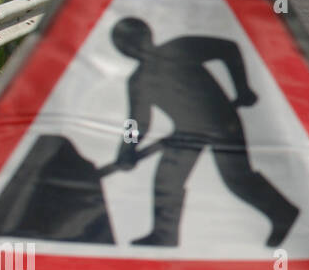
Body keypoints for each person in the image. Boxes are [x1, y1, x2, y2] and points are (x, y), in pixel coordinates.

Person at [111, 17, 299, 248]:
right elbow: (137, 123)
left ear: (148, 35)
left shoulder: (179, 48)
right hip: (186, 132)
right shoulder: (139, 81)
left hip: (221, 121)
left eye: (138, 41)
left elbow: (228, 49)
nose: (137, 49)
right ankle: (164, 234)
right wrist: (127, 150)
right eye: (129, 47)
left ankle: (283, 213)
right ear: (125, 52)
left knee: (238, 179)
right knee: (166, 179)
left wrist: (242, 88)